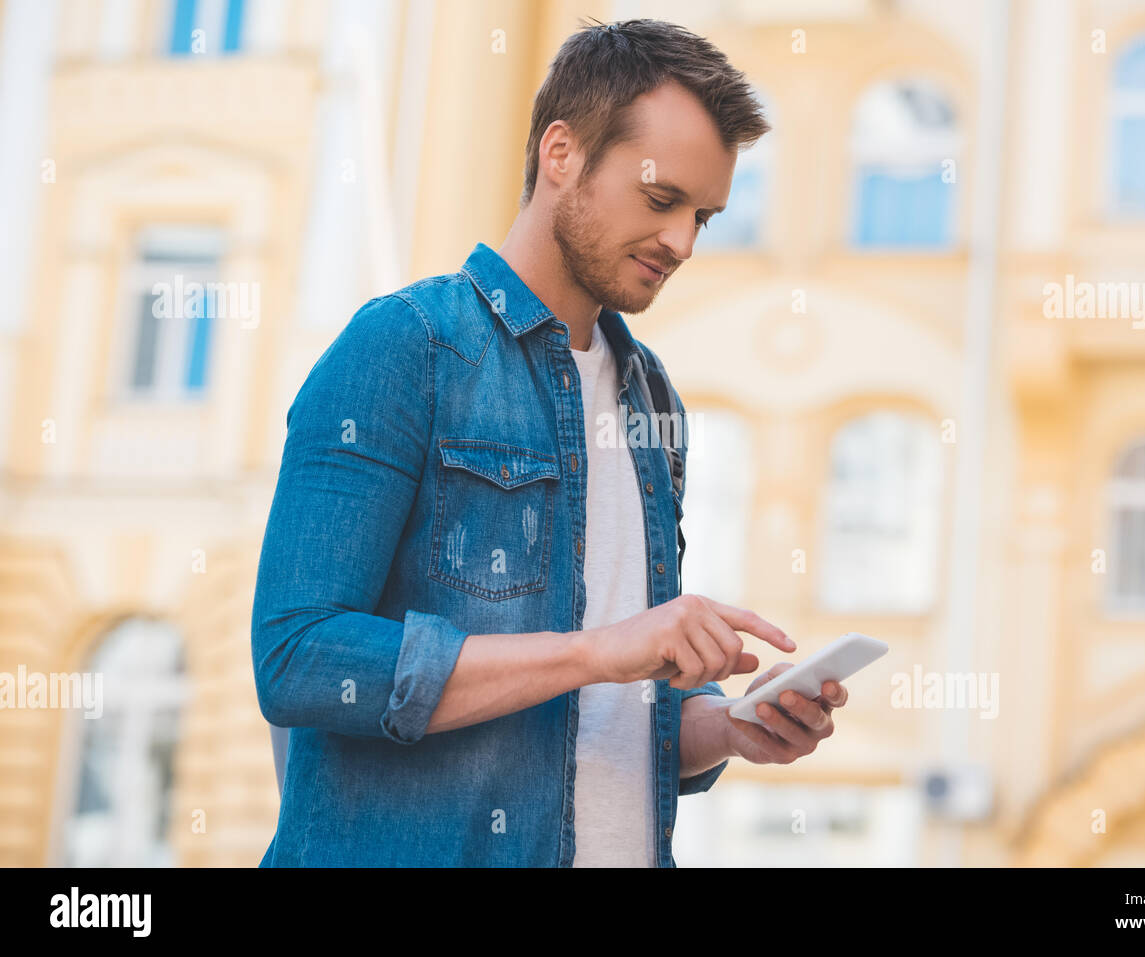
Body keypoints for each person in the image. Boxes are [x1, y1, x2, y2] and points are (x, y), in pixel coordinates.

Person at [251, 17, 849, 867]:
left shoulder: (654, 401)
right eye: (659, 199)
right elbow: (298, 657)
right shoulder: (406, 347)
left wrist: (729, 727)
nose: (681, 241)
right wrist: (597, 651)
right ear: (560, 152)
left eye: (703, 217)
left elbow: (604, 710)